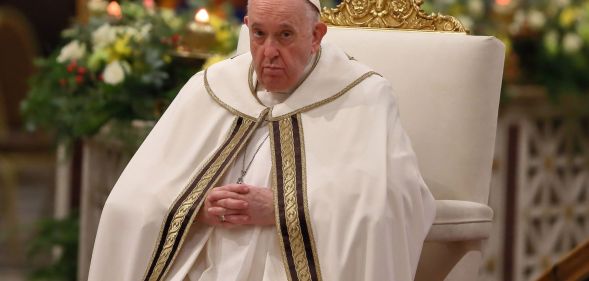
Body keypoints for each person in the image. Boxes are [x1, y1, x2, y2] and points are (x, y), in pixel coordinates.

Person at [88, 0, 436, 280]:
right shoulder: (211, 87)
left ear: (316, 35)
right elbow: (131, 197)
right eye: (259, 34)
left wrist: (282, 208)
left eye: (285, 35)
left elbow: (394, 201)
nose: (268, 52)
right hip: (199, 260)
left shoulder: (364, 96)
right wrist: (195, 207)